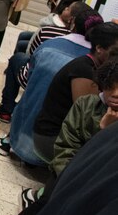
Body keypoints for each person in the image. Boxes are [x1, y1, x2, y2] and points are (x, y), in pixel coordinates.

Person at [5, 51, 118, 215]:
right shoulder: (87, 106)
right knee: (50, 202)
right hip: (70, 171)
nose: (115, 95)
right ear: (101, 88)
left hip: (98, 184)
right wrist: (103, 131)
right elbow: (66, 147)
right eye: (110, 88)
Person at [0, 7, 103, 163]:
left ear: (72, 23)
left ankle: (7, 133)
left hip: (23, 132)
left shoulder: (50, 43)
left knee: (21, 65)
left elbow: (24, 80)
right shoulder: (95, 62)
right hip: (56, 145)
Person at [32, 21, 118, 162]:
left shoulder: (95, 67)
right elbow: (86, 124)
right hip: (52, 138)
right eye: (115, 52)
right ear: (99, 48)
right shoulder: (86, 72)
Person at [0, 0, 86, 123]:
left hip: (38, 78)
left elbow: (32, 55)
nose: (65, 9)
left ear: (72, 19)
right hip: (64, 93)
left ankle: (6, 109)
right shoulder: (91, 49)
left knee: (18, 58)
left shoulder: (48, 31)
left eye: (68, 9)